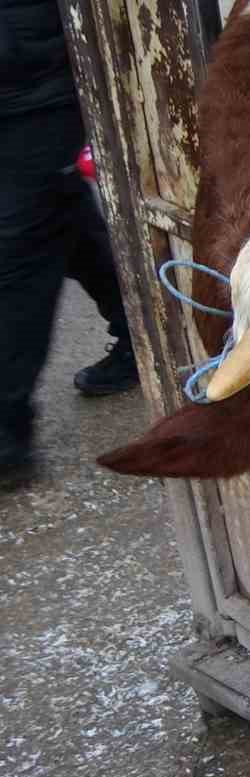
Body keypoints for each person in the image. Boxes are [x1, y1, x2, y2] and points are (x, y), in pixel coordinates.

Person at [1, 0, 140, 473]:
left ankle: (6, 435)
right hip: (23, 74)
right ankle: (141, 332)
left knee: (20, 251)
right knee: (62, 222)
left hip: (31, 82)